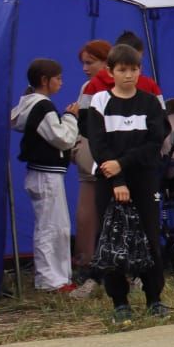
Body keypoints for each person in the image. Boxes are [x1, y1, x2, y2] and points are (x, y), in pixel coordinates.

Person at [83, 43, 170, 326]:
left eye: (133, 69)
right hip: (109, 180)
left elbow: (154, 142)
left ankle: (154, 298)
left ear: (139, 70)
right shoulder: (99, 101)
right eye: (122, 70)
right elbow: (98, 143)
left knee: (149, 236)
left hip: (144, 177)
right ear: (111, 72)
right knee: (111, 240)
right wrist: (117, 178)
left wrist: (124, 163)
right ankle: (120, 302)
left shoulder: (150, 103)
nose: (128, 75)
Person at [11, 58, 80, 293]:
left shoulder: (28, 104)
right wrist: (71, 117)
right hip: (45, 175)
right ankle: (51, 280)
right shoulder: (43, 106)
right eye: (58, 78)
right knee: (52, 227)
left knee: (52, 225)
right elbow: (62, 138)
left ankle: (55, 277)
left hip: (40, 174)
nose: (61, 82)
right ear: (44, 80)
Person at [68, 39, 111, 297]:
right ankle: (87, 262)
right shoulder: (88, 87)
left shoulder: (112, 84)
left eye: (90, 62)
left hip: (109, 157)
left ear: (106, 61)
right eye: (83, 63)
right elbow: (83, 125)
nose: (85, 68)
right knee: (88, 213)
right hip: (92, 158)